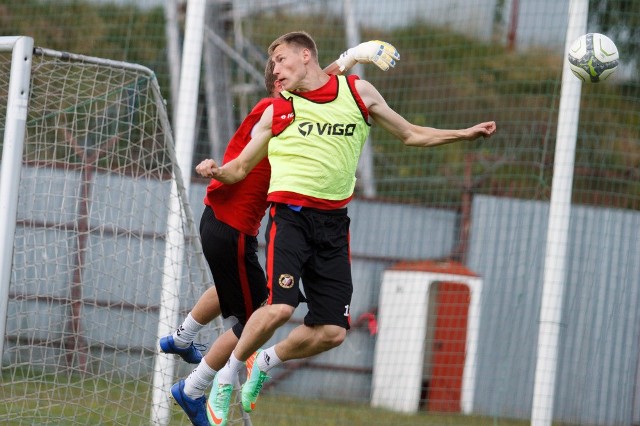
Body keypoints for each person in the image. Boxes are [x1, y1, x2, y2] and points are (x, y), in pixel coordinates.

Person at [200, 31, 496, 426]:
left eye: (282, 59)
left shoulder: (358, 94)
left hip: (334, 226)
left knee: (333, 332)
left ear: (305, 55)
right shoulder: (278, 110)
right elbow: (239, 167)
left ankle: (266, 361)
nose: (275, 69)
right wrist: (216, 169)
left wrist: (463, 133)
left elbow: (410, 133)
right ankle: (226, 375)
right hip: (290, 218)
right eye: (271, 64)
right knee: (281, 306)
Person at [162, 40, 401, 426]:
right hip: (233, 226)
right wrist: (219, 169)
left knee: (245, 302)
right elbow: (317, 88)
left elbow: (326, 85)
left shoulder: (299, 101)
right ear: (280, 85)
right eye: (278, 69)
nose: (284, 75)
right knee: (257, 315)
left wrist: (353, 56)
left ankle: (183, 337)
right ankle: (194, 387)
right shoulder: (277, 109)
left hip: (225, 222)